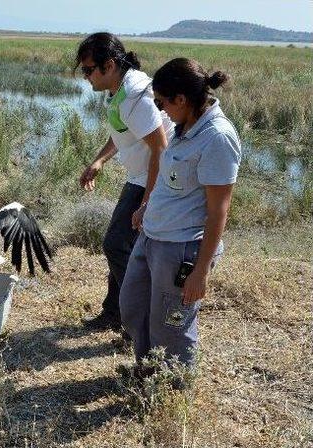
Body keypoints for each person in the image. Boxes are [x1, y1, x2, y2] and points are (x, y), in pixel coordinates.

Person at [119, 58, 241, 368]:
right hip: (151, 236)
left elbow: (218, 212)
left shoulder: (217, 138)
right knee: (133, 308)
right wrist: (146, 207)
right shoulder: (183, 126)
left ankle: (172, 388)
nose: (160, 109)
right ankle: (148, 371)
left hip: (182, 250)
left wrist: (200, 271)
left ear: (181, 99)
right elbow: (169, 176)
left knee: (172, 326)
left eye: (162, 102)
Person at [76, 33, 173, 332]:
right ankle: (116, 312)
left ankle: (140, 320)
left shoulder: (134, 97)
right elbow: (123, 132)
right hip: (140, 176)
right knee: (122, 245)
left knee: (116, 245)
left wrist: (147, 202)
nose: (86, 77)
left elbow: (161, 148)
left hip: (152, 179)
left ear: (109, 65)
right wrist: (99, 160)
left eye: (88, 70)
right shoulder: (119, 91)